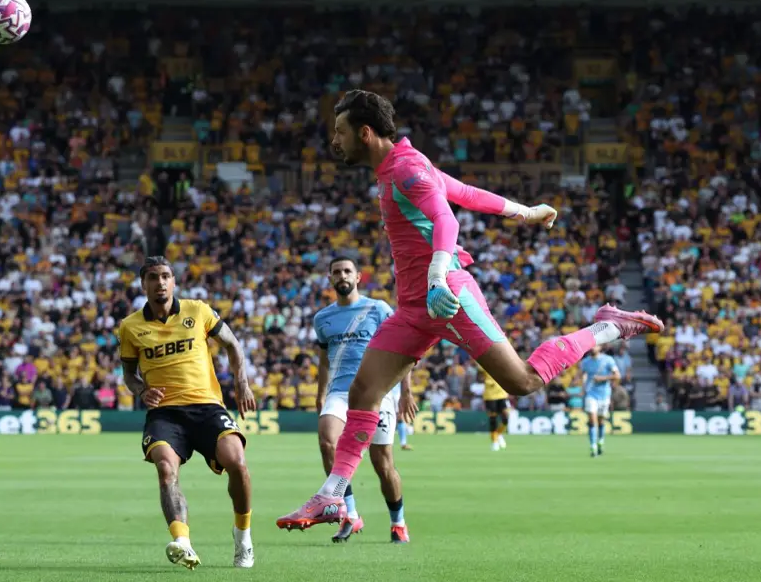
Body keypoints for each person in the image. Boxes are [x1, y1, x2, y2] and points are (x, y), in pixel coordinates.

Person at [276, 90, 665, 529]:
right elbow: (461, 191)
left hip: (448, 297)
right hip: (413, 308)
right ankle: (331, 497)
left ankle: (607, 328)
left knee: (522, 381)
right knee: (363, 392)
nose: (335, 140)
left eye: (340, 132)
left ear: (365, 133)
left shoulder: (405, 168)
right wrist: (526, 212)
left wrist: (439, 275)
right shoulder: (400, 165)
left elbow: (448, 220)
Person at [117, 256, 257, 570]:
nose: (160, 282)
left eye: (165, 276)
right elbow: (128, 374)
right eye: (153, 277)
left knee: (238, 462)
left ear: (174, 281)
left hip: (207, 407)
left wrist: (242, 384)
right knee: (166, 469)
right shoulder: (130, 327)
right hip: (165, 413)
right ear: (144, 284)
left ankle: (243, 537)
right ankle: (183, 541)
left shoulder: (198, 311)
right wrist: (141, 390)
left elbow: (233, 345)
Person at [309, 257, 415, 544]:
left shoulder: (378, 309)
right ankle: (351, 515)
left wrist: (406, 392)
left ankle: (398, 522)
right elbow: (323, 359)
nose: (341, 275)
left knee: (383, 464)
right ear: (330, 279)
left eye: (347, 271)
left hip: (377, 393)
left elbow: (402, 348)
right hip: (341, 392)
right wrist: (320, 394)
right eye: (336, 272)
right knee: (327, 441)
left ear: (357, 277)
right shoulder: (322, 319)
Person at [580, 346, 620, 457]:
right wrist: (584, 387)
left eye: (595, 346)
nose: (592, 348)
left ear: (600, 347)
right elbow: (583, 375)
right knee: (592, 421)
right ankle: (593, 446)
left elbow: (617, 375)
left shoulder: (608, 360)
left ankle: (600, 441)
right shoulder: (585, 362)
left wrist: (602, 378)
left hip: (604, 394)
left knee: (601, 421)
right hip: (591, 394)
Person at [483, 371, 511, 452]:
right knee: (493, 420)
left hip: (502, 394)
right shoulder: (484, 363)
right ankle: (494, 442)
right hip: (490, 396)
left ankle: (499, 434)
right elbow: (479, 376)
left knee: (506, 418)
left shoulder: (502, 362)